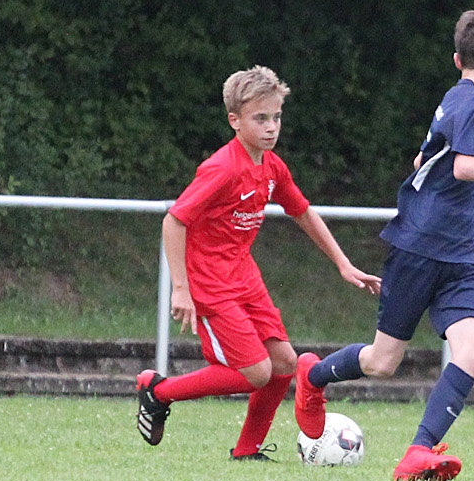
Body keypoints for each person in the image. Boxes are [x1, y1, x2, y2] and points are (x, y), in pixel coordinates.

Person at [293, 9, 474, 481]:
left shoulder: (455, 98)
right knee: (383, 361)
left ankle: (419, 451)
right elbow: (462, 166)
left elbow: (431, 155)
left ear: (457, 58)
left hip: (460, 254)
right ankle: (312, 376)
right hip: (420, 247)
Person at [136, 65, 381, 459]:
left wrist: (343, 263)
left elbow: (302, 211)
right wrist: (180, 288)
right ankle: (158, 391)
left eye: (277, 117)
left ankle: (247, 450)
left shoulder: (271, 166)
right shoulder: (222, 168)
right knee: (257, 373)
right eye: (260, 118)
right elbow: (175, 220)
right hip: (211, 284)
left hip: (245, 279)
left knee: (284, 363)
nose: (271, 127)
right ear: (234, 121)